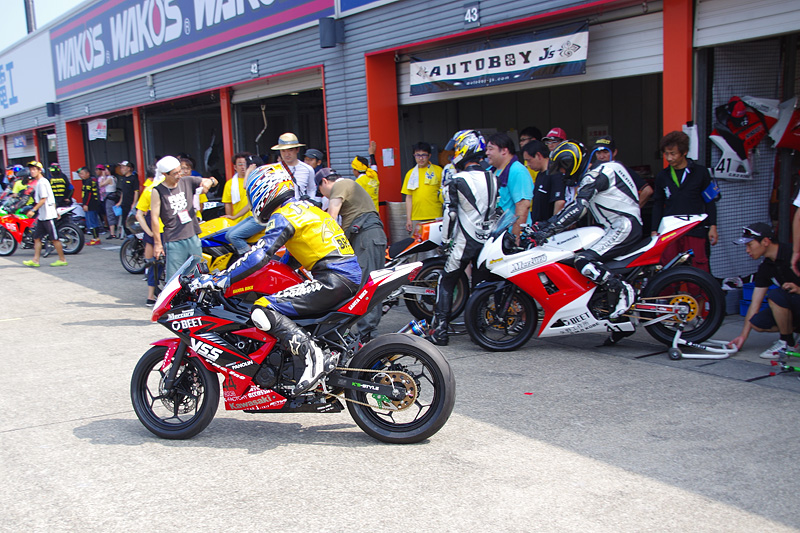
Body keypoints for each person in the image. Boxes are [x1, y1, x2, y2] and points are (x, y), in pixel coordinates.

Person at [189, 163, 362, 396]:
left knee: (262, 309)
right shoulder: (306, 209)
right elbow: (291, 258)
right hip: (343, 276)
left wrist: (223, 278)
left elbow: (259, 254)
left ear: (264, 190)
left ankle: (313, 358)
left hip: (333, 278)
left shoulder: (284, 215)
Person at [530, 144, 640, 320]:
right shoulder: (604, 169)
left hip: (623, 226)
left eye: (563, 167)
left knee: (583, 260)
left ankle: (621, 289)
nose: (563, 173)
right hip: (617, 225)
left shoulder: (594, 176)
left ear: (571, 163)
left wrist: (549, 229)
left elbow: (579, 208)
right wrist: (546, 224)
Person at [429, 130, 498, 345]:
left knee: (446, 280)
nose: (455, 153)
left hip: (465, 241)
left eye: (458, 148)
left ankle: (440, 331)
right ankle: (479, 328)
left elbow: (450, 215)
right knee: (480, 285)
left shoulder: (457, 179)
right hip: (487, 240)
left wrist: (445, 242)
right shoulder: (492, 177)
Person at [316, 167, 386, 342]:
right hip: (366, 236)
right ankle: (365, 332)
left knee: (366, 285)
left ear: (324, 182)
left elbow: (331, 218)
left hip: (366, 236)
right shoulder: (349, 186)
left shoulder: (340, 185)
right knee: (365, 283)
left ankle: (367, 335)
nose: (325, 196)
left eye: (321, 192)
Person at [651, 131, 718, 273]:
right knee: (669, 267)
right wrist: (654, 230)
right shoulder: (662, 176)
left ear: (684, 152)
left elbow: (710, 201)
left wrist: (713, 226)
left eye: (673, 154)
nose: (669, 158)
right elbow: (658, 204)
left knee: (698, 267)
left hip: (695, 228)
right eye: (666, 154)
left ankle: (697, 289)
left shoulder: (701, 173)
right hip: (670, 230)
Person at [730, 223, 800, 359]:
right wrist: (743, 336)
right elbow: (755, 304)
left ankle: (786, 342)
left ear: (766, 242)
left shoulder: (793, 254)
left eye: (750, 245)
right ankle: (791, 336)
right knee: (757, 322)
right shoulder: (765, 267)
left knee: (776, 296)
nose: (747, 250)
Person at [150, 156, 217, 280]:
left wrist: (209, 182)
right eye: (175, 173)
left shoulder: (187, 181)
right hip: (174, 240)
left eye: (179, 171)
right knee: (174, 278)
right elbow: (154, 218)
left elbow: (212, 180)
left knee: (198, 274)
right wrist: (158, 244)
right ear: (165, 174)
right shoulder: (158, 191)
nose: (179, 175)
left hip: (192, 235)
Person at [21, 161, 68, 268]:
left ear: (40, 170)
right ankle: (35, 260)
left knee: (54, 238)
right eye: (31, 170)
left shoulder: (42, 182)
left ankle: (62, 259)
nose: (32, 171)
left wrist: (33, 210)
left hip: (48, 216)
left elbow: (43, 199)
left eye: (34, 169)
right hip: (43, 216)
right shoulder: (40, 182)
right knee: (37, 238)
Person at [486, 132, 531, 239]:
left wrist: (515, 237)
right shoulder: (490, 171)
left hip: (511, 237)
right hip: (496, 236)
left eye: (491, 149)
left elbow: (523, 206)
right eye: (487, 149)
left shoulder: (518, 171)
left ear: (504, 151)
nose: (487, 153)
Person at [589, 136, 653, 208]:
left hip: (617, 213)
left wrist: (634, 210)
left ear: (615, 152)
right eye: (598, 153)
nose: (601, 156)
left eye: (605, 152)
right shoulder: (592, 170)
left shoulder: (622, 170)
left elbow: (647, 191)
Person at [224, 152, 262, 257]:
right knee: (228, 235)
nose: (244, 167)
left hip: (261, 218)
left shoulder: (261, 179)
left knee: (234, 236)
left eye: (247, 165)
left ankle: (252, 257)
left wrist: (249, 171)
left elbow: (245, 186)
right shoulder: (232, 183)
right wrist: (234, 217)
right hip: (253, 217)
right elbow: (249, 205)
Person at [135, 167, 164, 306]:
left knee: (155, 264)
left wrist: (149, 232)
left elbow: (139, 215)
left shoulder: (149, 189)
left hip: (157, 232)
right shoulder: (167, 188)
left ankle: (151, 296)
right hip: (169, 232)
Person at [401, 141, 443, 233]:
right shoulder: (410, 174)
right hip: (416, 217)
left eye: (424, 155)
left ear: (429, 155)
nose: (420, 158)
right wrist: (408, 219)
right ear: (414, 155)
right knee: (416, 242)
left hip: (435, 216)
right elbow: (409, 197)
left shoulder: (438, 171)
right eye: (418, 155)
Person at [521, 140, 566, 223]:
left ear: (538, 155)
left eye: (529, 160)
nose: (528, 164)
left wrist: (553, 226)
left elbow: (560, 202)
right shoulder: (540, 174)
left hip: (549, 226)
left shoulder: (555, 174)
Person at [272, 132, 316, 199]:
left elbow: (311, 189)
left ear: (297, 150)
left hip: (301, 204)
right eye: (283, 151)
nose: (287, 154)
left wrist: (309, 202)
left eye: (290, 150)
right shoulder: (273, 170)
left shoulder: (308, 169)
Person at [351, 141, 379, 211]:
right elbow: (374, 166)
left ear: (356, 170)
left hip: (365, 213)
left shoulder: (358, 182)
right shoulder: (373, 175)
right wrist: (372, 154)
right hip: (375, 212)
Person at [80, 166, 102, 245]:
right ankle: (95, 238)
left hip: (91, 205)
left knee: (92, 222)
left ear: (87, 173)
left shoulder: (89, 181)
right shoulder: (89, 180)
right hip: (93, 204)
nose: (81, 175)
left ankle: (95, 238)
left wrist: (86, 204)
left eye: (82, 174)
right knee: (93, 221)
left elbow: (88, 194)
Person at [117, 160, 139, 236]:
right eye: (121, 167)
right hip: (124, 204)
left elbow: (136, 191)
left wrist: (134, 203)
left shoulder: (133, 178)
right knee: (124, 222)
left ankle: (134, 236)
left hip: (131, 204)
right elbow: (123, 192)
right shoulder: (123, 179)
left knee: (132, 221)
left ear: (129, 168)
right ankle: (129, 237)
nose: (121, 169)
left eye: (123, 167)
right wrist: (120, 202)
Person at [98, 166, 120, 239]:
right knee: (115, 214)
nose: (105, 171)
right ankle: (117, 231)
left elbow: (100, 185)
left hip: (109, 198)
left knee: (110, 214)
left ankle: (112, 233)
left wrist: (103, 177)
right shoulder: (114, 178)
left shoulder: (110, 178)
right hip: (113, 197)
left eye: (106, 170)